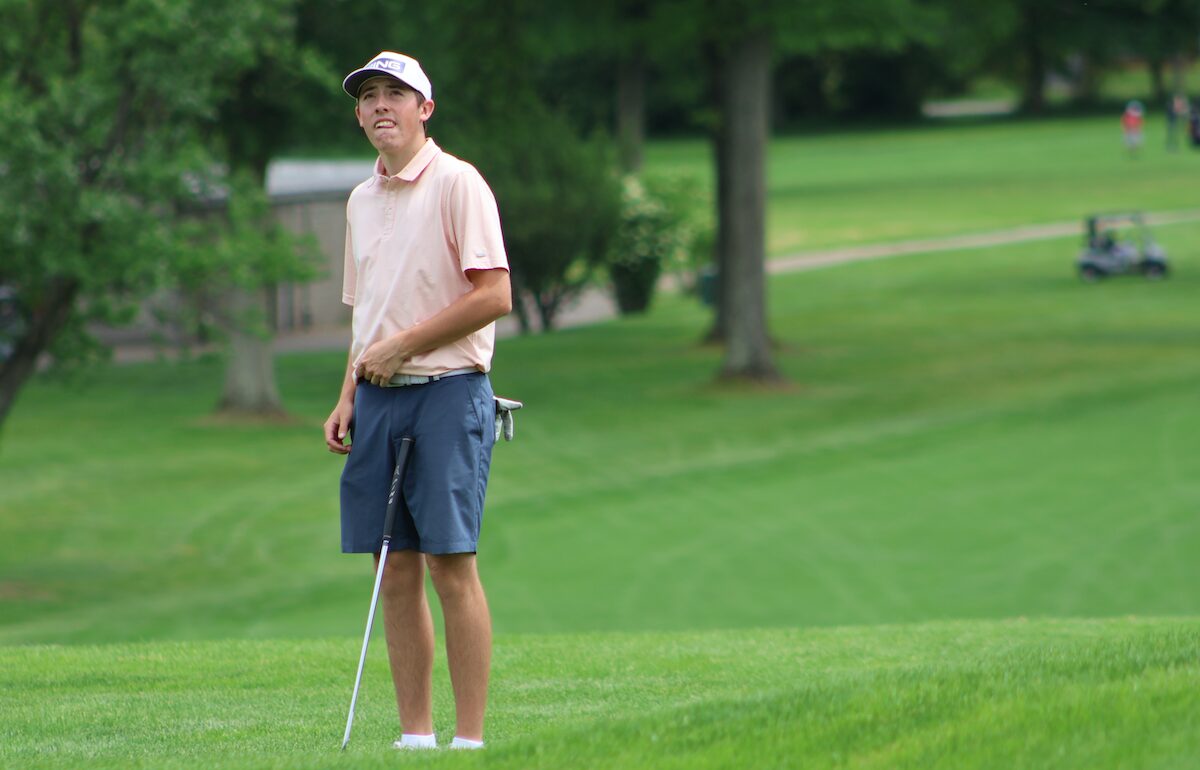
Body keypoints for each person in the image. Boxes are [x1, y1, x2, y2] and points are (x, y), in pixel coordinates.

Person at [323, 50, 511, 751]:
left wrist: (401, 347)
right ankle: (416, 738)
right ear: (358, 114)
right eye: (368, 96)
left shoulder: (458, 183)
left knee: (449, 563)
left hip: (448, 391)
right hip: (377, 398)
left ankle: (469, 741)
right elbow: (366, 316)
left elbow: (494, 295)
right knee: (392, 567)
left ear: (424, 108)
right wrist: (347, 394)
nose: (380, 105)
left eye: (395, 94)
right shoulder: (359, 200)